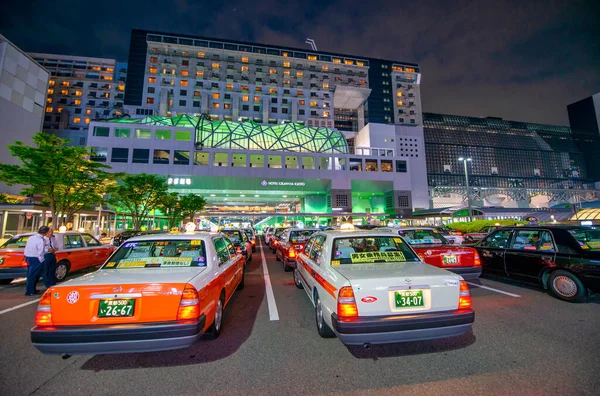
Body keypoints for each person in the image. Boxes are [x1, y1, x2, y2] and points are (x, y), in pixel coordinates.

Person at [24, 226, 50, 296]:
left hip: (28, 257)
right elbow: (40, 252)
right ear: (46, 232)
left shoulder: (31, 238)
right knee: (33, 276)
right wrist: (41, 260)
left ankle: (32, 289)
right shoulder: (41, 240)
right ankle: (30, 291)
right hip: (36, 258)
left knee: (31, 275)